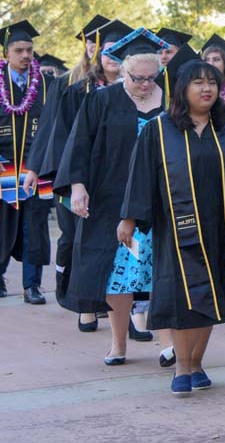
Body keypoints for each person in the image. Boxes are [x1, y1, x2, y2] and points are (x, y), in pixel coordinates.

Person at [121, 58, 225, 395]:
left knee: (215, 295)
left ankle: (197, 362)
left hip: (224, 226)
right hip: (177, 229)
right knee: (180, 297)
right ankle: (181, 365)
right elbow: (141, 178)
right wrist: (129, 219)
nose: (206, 88)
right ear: (182, 88)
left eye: (211, 82)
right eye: (198, 83)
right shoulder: (159, 130)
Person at [54, 27, 168, 365]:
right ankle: (119, 345)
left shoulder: (172, 102)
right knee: (122, 273)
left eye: (151, 78)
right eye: (138, 78)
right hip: (114, 202)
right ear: (123, 69)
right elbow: (80, 146)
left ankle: (167, 344)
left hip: (163, 202)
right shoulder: (102, 100)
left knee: (165, 271)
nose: (145, 84)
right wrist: (77, 185)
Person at [25, 18, 128, 331]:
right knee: (80, 241)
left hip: (120, 178)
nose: (113, 56)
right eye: (108, 50)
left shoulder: (137, 89)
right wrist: (36, 168)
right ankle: (85, 305)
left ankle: (129, 310)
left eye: (121, 50)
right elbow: (53, 132)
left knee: (125, 243)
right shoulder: (73, 88)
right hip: (80, 176)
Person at [0, 20, 54, 303]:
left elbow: (54, 126)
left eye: (29, 50)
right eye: (19, 50)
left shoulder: (45, 84)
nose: (26, 56)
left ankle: (32, 286)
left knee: (35, 226)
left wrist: (45, 161)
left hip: (35, 169)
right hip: (0, 168)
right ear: (6, 53)